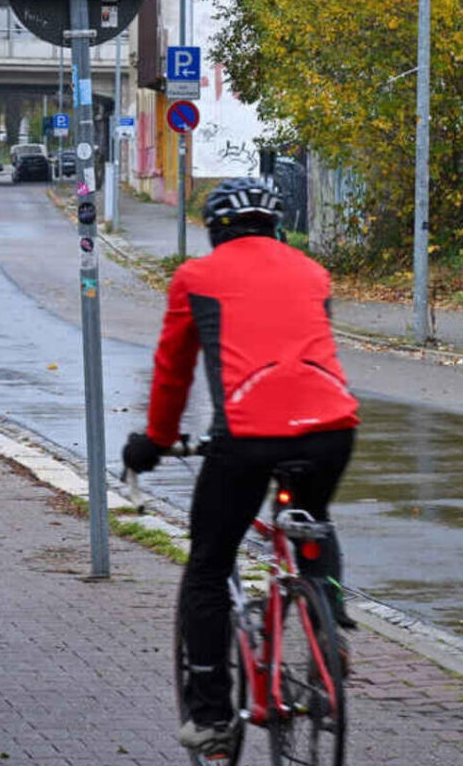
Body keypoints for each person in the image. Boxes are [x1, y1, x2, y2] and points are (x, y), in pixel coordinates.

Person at [119, 177, 359, 756]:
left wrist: (155, 441)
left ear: (215, 231)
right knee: (312, 518)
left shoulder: (196, 277)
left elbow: (173, 370)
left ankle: (210, 718)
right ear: (276, 227)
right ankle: (329, 624)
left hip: (249, 436)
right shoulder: (312, 272)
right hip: (332, 428)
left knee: (208, 566)